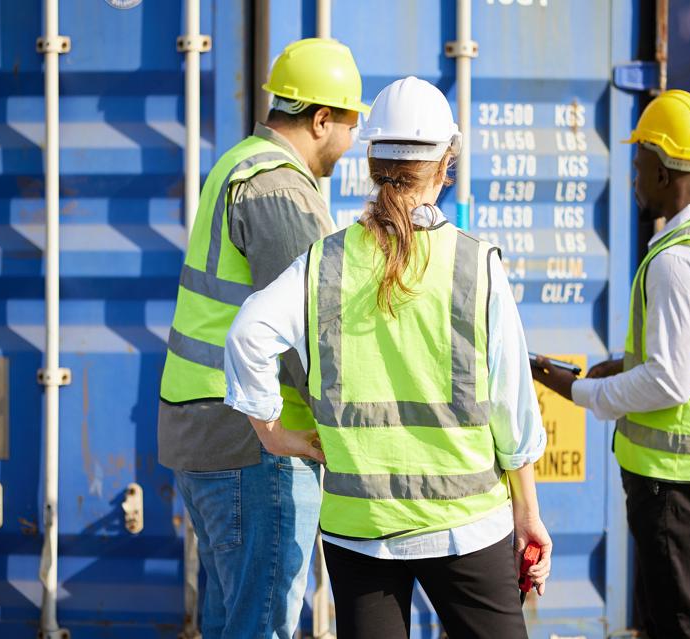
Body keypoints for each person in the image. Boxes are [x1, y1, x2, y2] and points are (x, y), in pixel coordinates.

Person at [224, 76, 551, 639]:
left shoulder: (323, 263)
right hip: (465, 525)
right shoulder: (476, 266)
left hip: (361, 530)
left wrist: (272, 432)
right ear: (446, 163)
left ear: (371, 160)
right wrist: (528, 511)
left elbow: (247, 334)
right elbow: (512, 408)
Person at [157, 38, 369, 639]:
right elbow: (308, 332)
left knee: (234, 620)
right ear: (322, 119)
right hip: (256, 439)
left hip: (205, 429)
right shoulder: (281, 189)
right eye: (350, 124)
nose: (353, 143)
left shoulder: (238, 160)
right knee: (264, 625)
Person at [532, 90, 690, 639]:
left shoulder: (678, 261)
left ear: (660, 167)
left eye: (638, 165)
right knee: (665, 620)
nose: (634, 178)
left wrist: (575, 390)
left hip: (675, 481)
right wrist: (622, 364)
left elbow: (670, 381)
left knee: (683, 624)